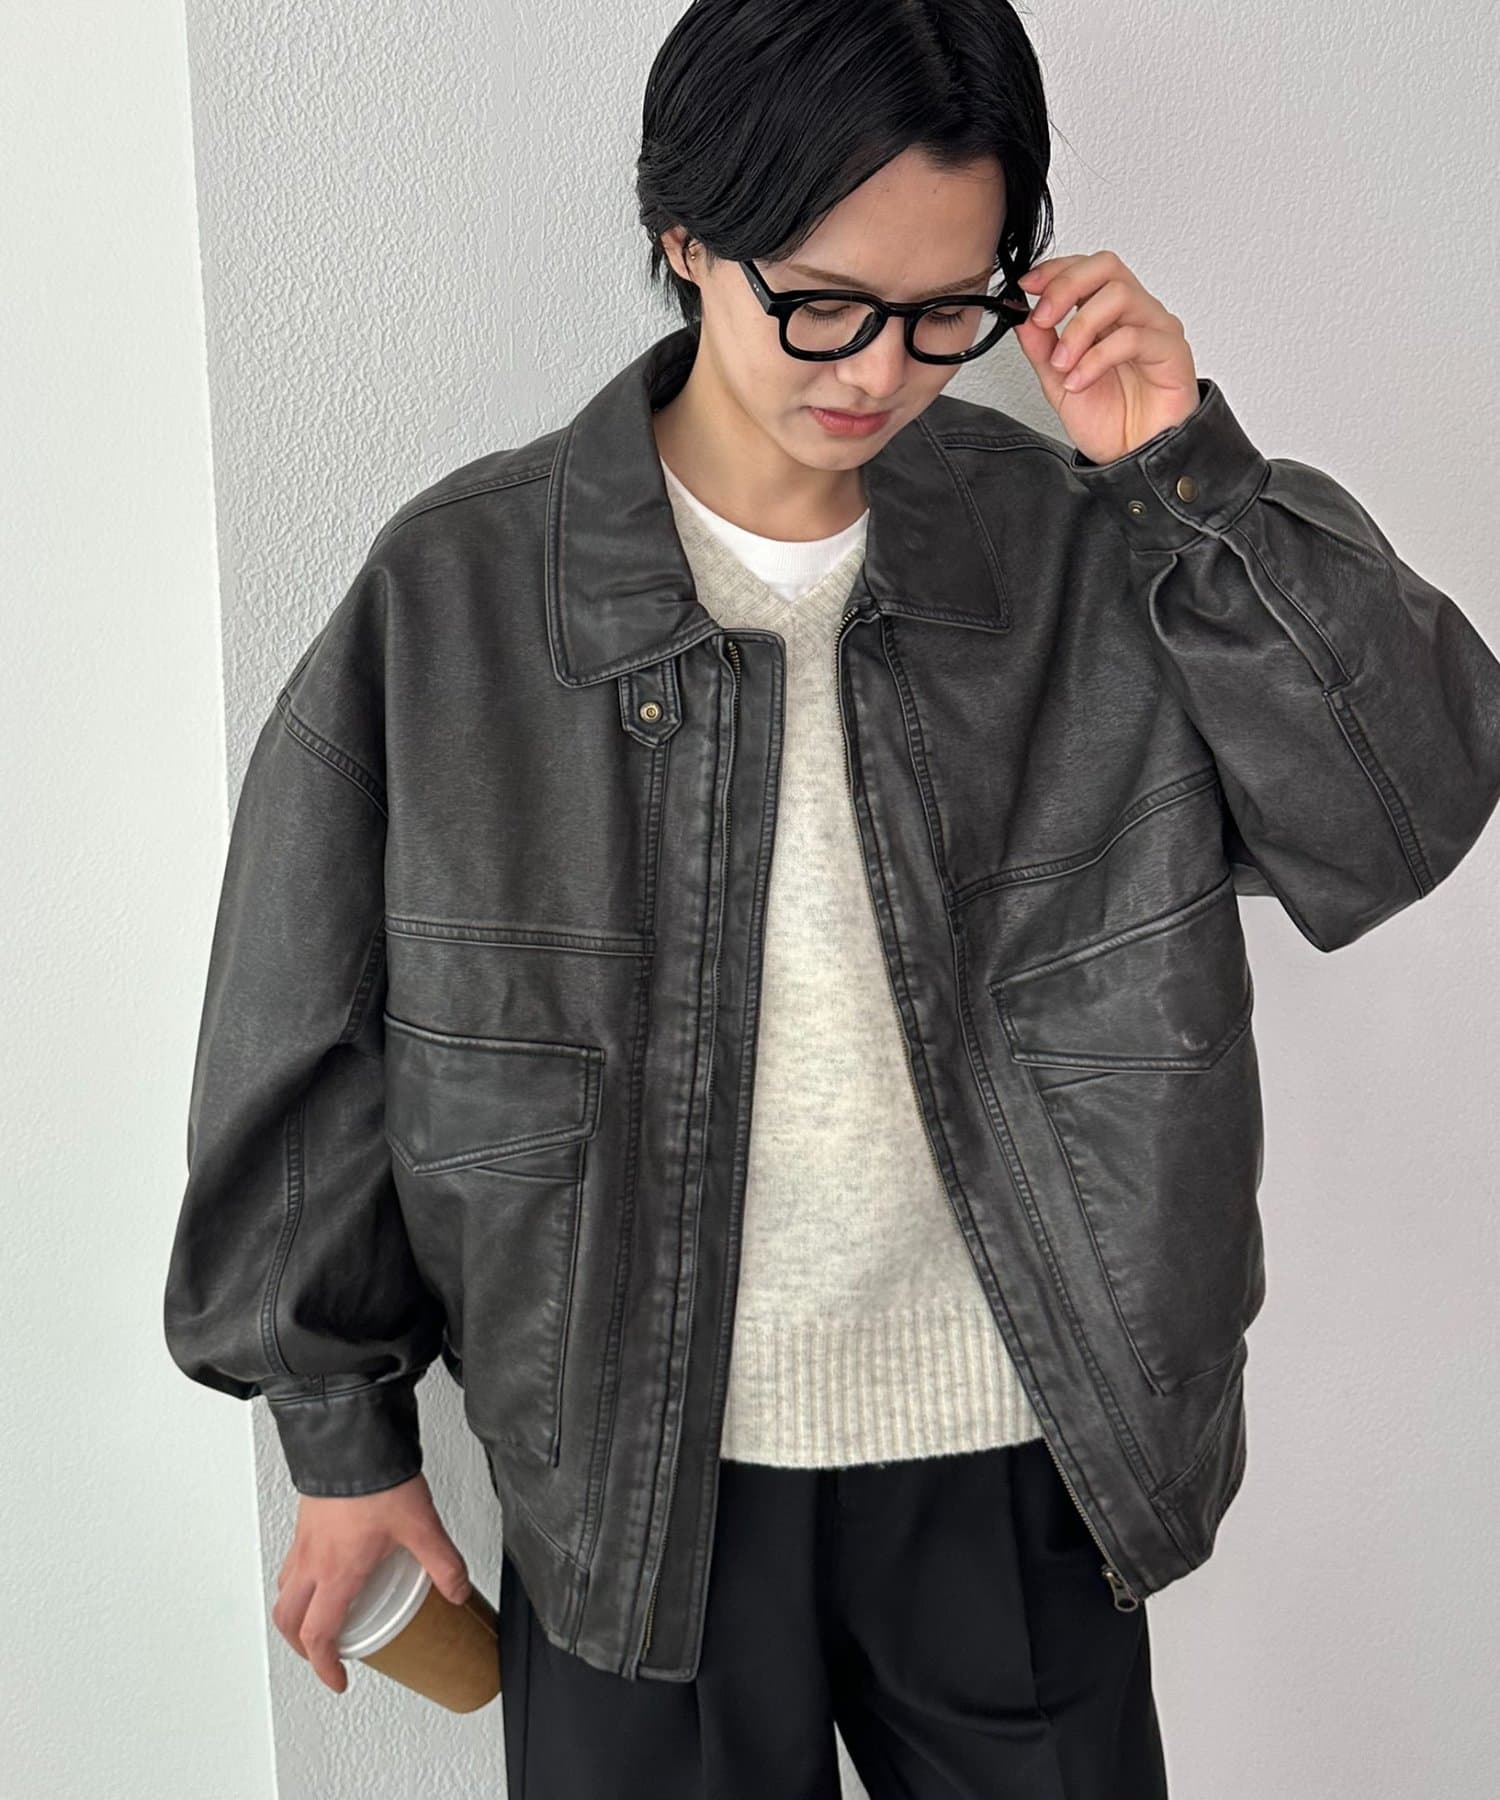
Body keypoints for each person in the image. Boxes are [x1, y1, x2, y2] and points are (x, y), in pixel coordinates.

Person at [162, 2, 1500, 1796]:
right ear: (684, 234)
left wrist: (1188, 477)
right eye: (824, 303)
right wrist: (342, 1440)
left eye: (948, 312)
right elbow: (308, 1042)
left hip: (1022, 1454)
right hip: (633, 1488)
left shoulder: (1082, 550)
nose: (880, 369)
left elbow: (1400, 813)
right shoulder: (461, 596)